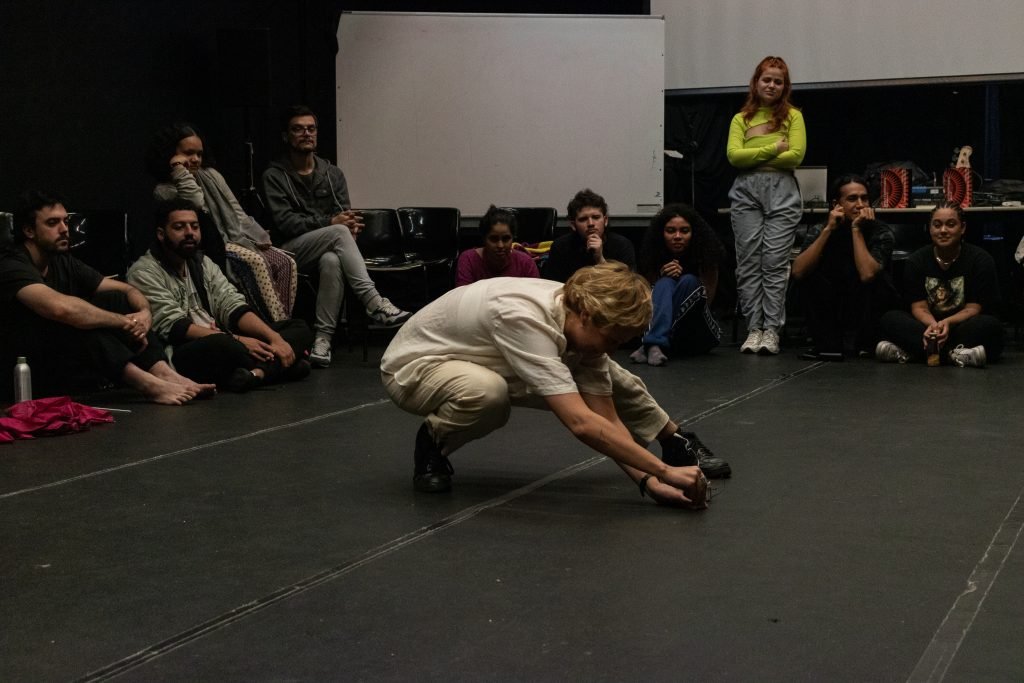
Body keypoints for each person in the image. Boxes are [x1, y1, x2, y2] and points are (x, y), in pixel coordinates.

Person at [381, 261, 731, 504]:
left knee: (617, 377)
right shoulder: (524, 318)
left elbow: (605, 419)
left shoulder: (581, 309)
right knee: (487, 394)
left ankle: (675, 439)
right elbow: (581, 423)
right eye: (612, 339)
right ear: (585, 317)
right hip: (414, 368)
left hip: (472, 353)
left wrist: (648, 482)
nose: (614, 349)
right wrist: (663, 472)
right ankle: (433, 444)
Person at [0, 191, 214, 405]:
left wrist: (144, 313)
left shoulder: (62, 260)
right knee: (76, 321)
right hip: (21, 365)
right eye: (53, 223)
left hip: (59, 357)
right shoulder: (11, 265)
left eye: (66, 221)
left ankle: (165, 374)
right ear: (29, 230)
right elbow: (61, 309)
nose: (65, 229)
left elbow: (127, 290)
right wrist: (124, 322)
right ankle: (148, 384)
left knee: (116, 300)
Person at [261, 104, 411, 367]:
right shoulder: (274, 175)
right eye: (298, 129)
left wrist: (349, 227)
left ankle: (323, 341)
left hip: (328, 246)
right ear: (286, 136)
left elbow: (345, 215)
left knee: (331, 260)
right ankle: (374, 302)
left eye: (311, 129)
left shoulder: (332, 174)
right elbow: (285, 222)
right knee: (338, 232)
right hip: (290, 251)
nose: (306, 134)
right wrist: (333, 224)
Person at [127, 198, 313, 392]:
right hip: (183, 350)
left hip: (222, 337)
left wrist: (275, 339)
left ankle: (255, 375)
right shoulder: (144, 272)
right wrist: (238, 340)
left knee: (299, 327)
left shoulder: (202, 263)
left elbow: (232, 305)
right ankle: (281, 366)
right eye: (179, 227)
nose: (190, 233)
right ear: (161, 234)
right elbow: (175, 327)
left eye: (194, 226)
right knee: (225, 346)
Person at [146, 122, 297, 323]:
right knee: (255, 262)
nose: (196, 159)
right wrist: (180, 171)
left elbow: (236, 212)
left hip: (234, 237)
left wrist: (258, 236)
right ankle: (272, 323)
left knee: (286, 262)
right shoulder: (164, 190)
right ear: (172, 154)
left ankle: (284, 319)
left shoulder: (212, 176)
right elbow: (195, 203)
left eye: (199, 154)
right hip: (211, 246)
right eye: (188, 153)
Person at [726, 56, 806, 355]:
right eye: (767, 79)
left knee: (773, 263)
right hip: (746, 192)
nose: (771, 85)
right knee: (748, 263)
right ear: (756, 82)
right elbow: (734, 157)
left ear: (784, 86)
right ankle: (753, 328)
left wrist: (753, 151)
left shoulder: (793, 117)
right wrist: (774, 147)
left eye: (778, 81)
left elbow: (795, 156)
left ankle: (772, 330)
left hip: (782, 191)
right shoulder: (741, 119)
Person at [876, 202, 1004, 367]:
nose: (943, 230)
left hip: (959, 326)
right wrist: (933, 326)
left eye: (950, 225)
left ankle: (914, 353)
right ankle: (956, 355)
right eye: (937, 225)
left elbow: (973, 308)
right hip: (926, 327)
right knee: (890, 319)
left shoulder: (980, 260)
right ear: (930, 229)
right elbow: (918, 307)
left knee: (990, 326)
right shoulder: (916, 260)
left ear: (962, 228)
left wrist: (947, 323)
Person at [791, 174, 899, 360]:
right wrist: (827, 231)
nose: (860, 204)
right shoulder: (822, 228)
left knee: (871, 280)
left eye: (864, 198)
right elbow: (798, 272)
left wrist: (856, 229)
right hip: (834, 299)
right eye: (852, 199)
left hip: (867, 302)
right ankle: (827, 343)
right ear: (836, 204)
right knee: (812, 276)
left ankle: (863, 343)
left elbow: (867, 275)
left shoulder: (880, 231)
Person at [629, 203, 724, 366]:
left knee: (688, 281)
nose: (678, 236)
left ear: (694, 233)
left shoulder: (706, 256)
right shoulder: (652, 256)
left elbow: (706, 300)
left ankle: (650, 344)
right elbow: (644, 303)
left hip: (698, 334)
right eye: (671, 231)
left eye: (684, 231)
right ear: (662, 234)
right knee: (665, 282)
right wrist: (660, 277)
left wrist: (684, 278)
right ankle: (655, 344)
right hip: (672, 339)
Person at [542, 188, 635, 282]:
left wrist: (600, 259)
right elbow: (551, 285)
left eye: (596, 217)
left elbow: (627, 287)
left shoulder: (622, 245)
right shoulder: (560, 246)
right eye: (583, 219)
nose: (590, 223)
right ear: (573, 225)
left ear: (605, 220)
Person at [455, 205, 539, 286]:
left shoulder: (526, 263)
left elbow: (536, 296)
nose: (500, 245)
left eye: (506, 239)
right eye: (493, 239)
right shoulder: (468, 260)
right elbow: (463, 297)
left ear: (513, 238)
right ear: (484, 238)